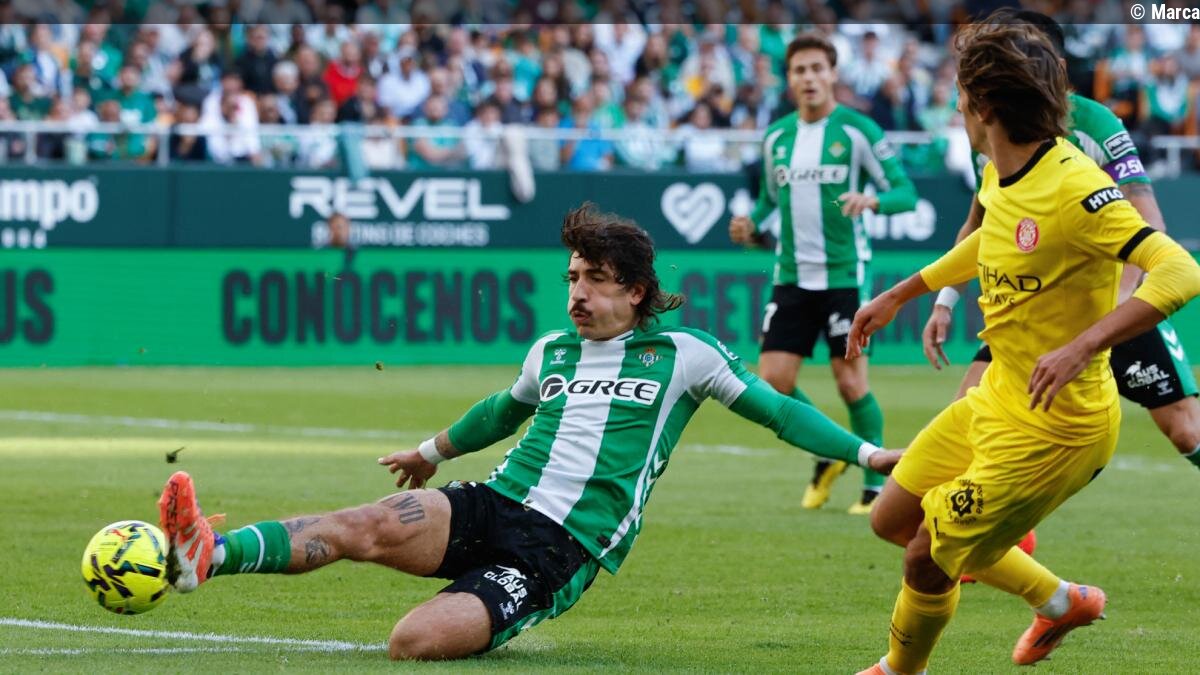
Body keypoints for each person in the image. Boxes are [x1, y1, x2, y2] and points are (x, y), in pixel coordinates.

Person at [157, 203, 902, 660]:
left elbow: (779, 410)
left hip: (559, 548)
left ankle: (496, 607)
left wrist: (869, 454)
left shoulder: (686, 354)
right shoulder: (552, 350)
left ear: (635, 290)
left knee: (412, 642)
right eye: (572, 278)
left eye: (594, 279)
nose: (576, 293)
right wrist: (431, 452)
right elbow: (502, 410)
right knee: (365, 523)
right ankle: (207, 553)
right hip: (494, 500)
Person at [849, 20, 1200, 675]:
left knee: (926, 555)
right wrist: (903, 294)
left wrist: (1082, 345)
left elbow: (1180, 269)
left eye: (958, 95)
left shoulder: (1074, 184)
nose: (954, 107)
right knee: (891, 517)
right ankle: (1061, 600)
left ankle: (899, 669)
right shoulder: (999, 170)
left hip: (1058, 427)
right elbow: (991, 240)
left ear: (983, 106)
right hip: (1000, 395)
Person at [924, 11, 1200, 480]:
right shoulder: (989, 130)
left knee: (1185, 430)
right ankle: (966, 522)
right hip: (1034, 312)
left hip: (1107, 302)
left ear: (1056, 66)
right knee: (966, 424)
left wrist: (1117, 304)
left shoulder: (1094, 121)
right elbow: (978, 224)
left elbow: (1148, 219)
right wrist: (945, 300)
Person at [728, 33, 918, 514]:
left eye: (817, 68)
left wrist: (872, 200)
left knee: (850, 383)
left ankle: (874, 485)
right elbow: (769, 202)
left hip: (844, 276)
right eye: (800, 70)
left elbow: (906, 193)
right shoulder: (776, 138)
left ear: (833, 74)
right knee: (773, 381)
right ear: (789, 79)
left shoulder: (857, 131)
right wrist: (750, 224)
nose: (809, 78)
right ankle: (828, 452)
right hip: (791, 274)